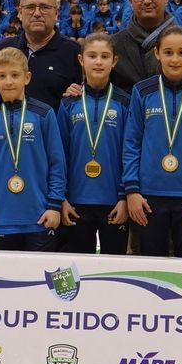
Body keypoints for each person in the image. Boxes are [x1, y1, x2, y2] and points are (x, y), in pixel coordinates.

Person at [122, 27, 182, 259]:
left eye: (181, 52)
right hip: (148, 195)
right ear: (157, 54)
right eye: (168, 52)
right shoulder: (142, 92)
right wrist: (132, 191)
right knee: (151, 265)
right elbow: (131, 143)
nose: (174, 59)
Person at [0, 47, 66, 252]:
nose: (9, 81)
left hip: (40, 216)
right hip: (3, 219)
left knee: (41, 279)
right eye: (2, 76)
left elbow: (57, 163)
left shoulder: (44, 114)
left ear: (27, 77)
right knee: (8, 282)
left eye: (15, 75)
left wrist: (54, 205)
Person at [57, 33, 132, 254]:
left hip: (114, 201)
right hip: (76, 202)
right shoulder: (69, 102)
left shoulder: (125, 102)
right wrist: (62, 198)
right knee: (80, 271)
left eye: (104, 56)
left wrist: (124, 197)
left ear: (114, 61)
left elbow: (130, 152)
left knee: (115, 270)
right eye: (92, 56)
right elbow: (60, 154)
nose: (98, 61)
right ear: (81, 60)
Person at [0, 0, 83, 109]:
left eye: (44, 7)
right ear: (20, 13)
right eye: (30, 7)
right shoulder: (4, 49)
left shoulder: (74, 52)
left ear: (56, 13)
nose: (37, 13)